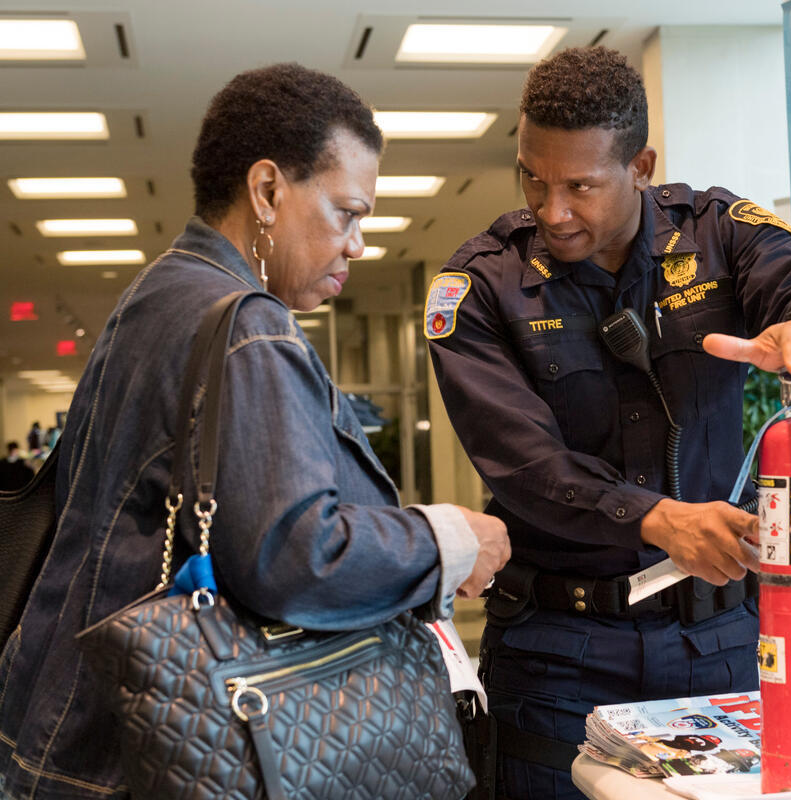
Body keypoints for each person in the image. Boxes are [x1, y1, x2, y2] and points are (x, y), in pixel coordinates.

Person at [0, 63, 509, 800]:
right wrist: (450, 539)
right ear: (267, 191)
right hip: (151, 759)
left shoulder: (157, 294)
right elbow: (296, 555)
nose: (358, 244)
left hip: (67, 733)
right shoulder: (248, 329)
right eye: (347, 212)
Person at [425, 46, 791, 799]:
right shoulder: (481, 286)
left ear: (640, 167)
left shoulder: (718, 232)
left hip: (720, 641)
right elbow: (526, 466)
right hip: (559, 654)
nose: (551, 209)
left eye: (580, 186)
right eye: (532, 177)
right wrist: (660, 520)